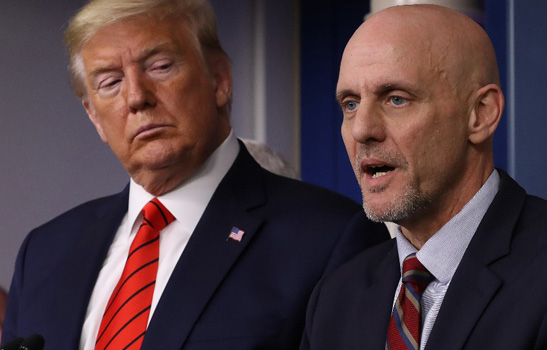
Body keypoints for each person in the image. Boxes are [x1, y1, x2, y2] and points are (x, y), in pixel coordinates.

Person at [1, 0, 388, 348]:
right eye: (110, 82)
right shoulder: (44, 252)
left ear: (219, 79)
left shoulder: (331, 237)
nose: (137, 97)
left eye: (160, 66)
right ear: (94, 117)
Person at [301, 4, 547, 350]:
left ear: (480, 115)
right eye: (350, 104)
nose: (362, 129)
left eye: (396, 99)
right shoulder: (334, 299)